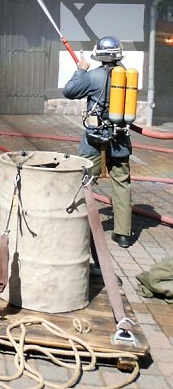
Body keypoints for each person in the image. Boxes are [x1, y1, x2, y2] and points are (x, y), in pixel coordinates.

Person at [63, 36, 132, 247]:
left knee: (83, 181)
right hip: (120, 139)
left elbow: (69, 91)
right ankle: (123, 234)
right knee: (122, 184)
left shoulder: (93, 76)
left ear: (99, 55)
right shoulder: (128, 77)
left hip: (94, 140)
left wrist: (81, 70)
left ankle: (76, 228)